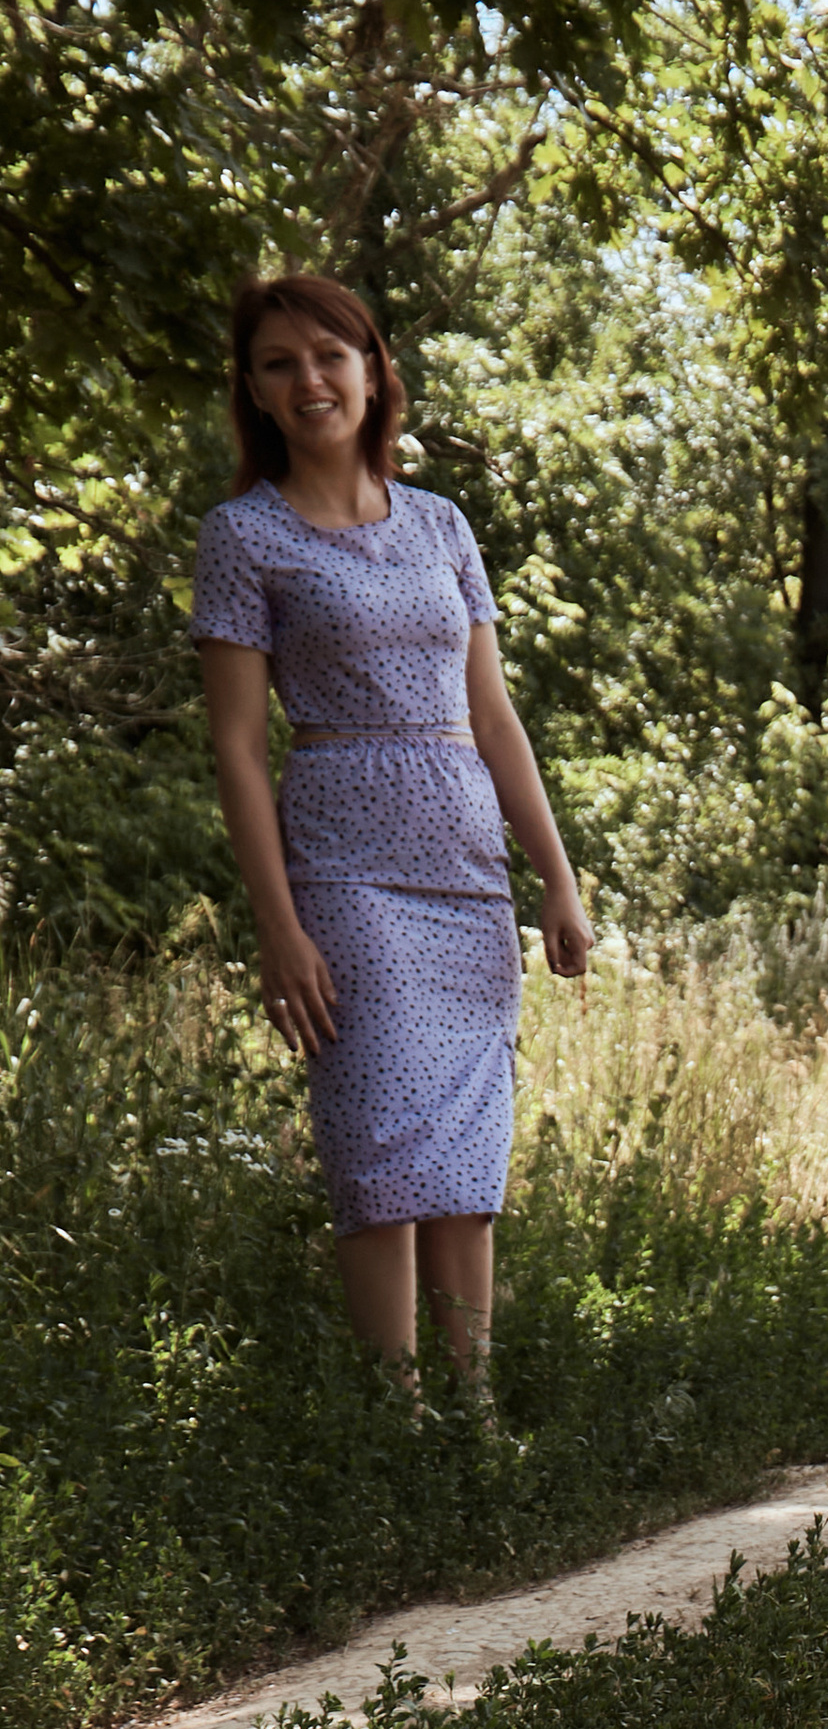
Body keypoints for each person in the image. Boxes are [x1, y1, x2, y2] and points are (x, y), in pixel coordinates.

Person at [191, 271, 592, 1376]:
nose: (309, 380)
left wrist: (556, 877)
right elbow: (237, 750)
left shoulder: (441, 523)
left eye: (330, 356)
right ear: (255, 392)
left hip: (466, 869)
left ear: (372, 371)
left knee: (466, 1164)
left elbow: (494, 716)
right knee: (378, 1149)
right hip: (343, 872)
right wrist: (279, 927)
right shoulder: (243, 537)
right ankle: (396, 1429)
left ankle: (472, 1430)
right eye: (280, 364)